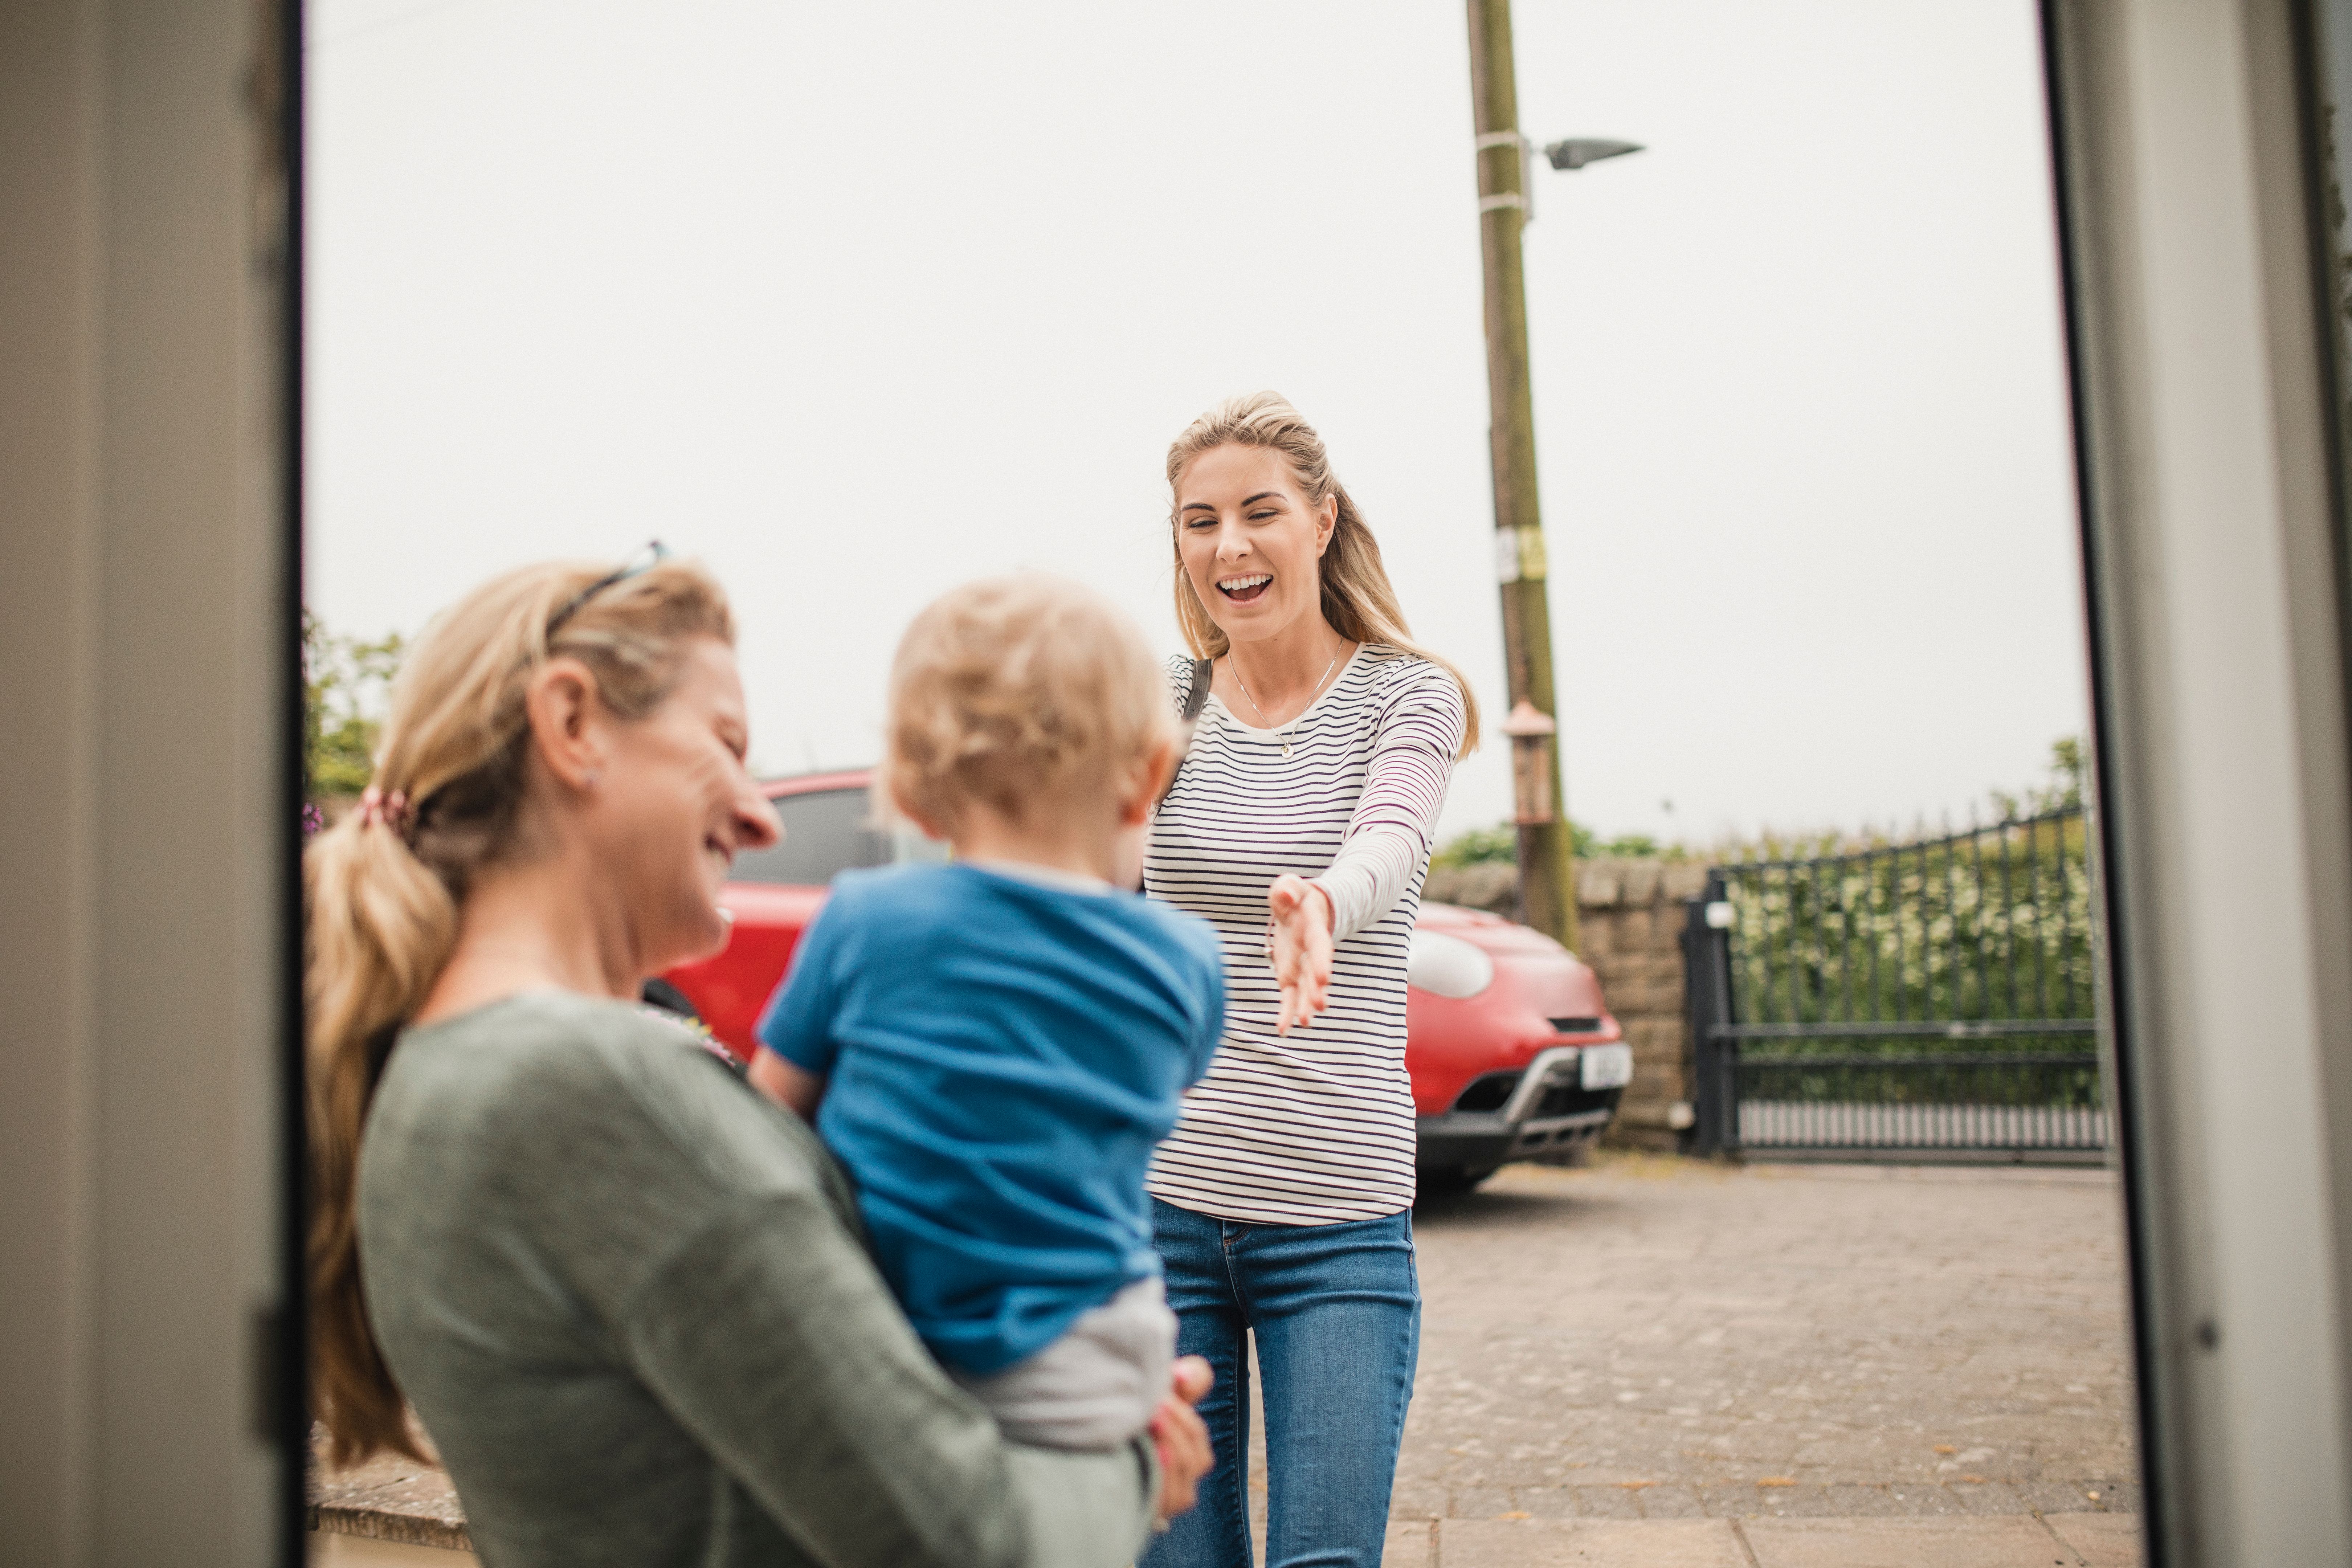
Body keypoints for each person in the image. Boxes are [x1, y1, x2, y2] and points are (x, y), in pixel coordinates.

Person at [305, 550, 1211, 1568]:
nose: (762, 815)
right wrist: (1135, 1462)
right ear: (571, 722)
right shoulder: (593, 1091)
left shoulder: (462, 1068)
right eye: (727, 746)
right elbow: (979, 1546)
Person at [748, 575, 1227, 1452]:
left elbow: (765, 1125)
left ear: (912, 792)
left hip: (888, 1355)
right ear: (1151, 778)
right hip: (1097, 1378)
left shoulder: (864, 921)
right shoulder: (1187, 963)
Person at [1141, 394, 1479, 1568]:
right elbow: (1089, 871)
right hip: (1159, 1207)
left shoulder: (1407, 694)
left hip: (1336, 1218)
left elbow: (1392, 835)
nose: (1229, 546)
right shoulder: (1166, 702)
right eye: (1200, 522)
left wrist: (1327, 901)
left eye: (1259, 513)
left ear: (1322, 521)